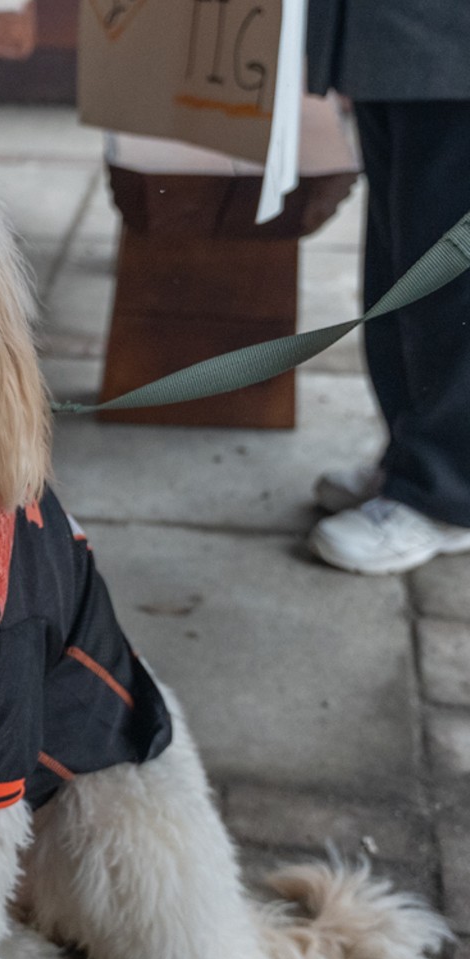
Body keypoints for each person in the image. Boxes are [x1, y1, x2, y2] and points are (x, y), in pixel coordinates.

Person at [304, 0, 470, 575]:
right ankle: (412, 455)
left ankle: (448, 491)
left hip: (453, 46)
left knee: (449, 279)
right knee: (401, 259)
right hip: (396, 35)